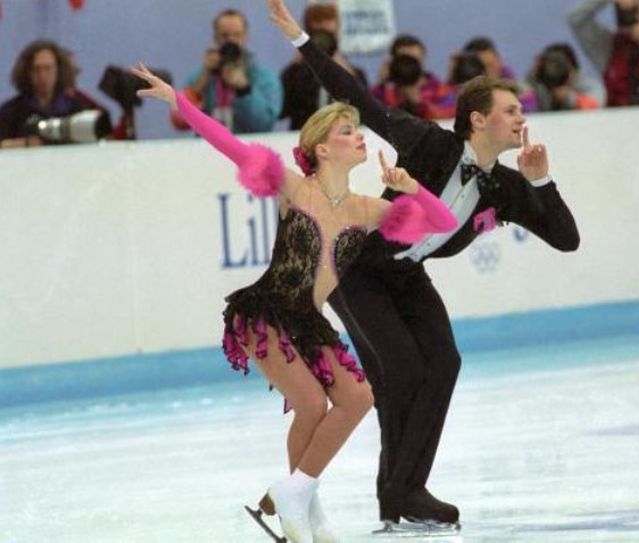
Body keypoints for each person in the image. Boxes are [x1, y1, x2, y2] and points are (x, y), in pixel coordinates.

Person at [267, 0, 580, 530]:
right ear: (478, 119)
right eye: (510, 111)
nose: (521, 118)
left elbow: (566, 239)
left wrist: (541, 181)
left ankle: (404, 492)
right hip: (359, 271)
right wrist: (301, 41)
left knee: (443, 363)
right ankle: (384, 492)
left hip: (407, 276)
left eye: (521, 111)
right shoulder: (428, 142)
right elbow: (357, 98)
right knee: (403, 370)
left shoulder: (502, 186)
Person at [131, 62, 456, 543]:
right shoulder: (293, 187)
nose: (360, 136)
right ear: (323, 148)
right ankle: (297, 499)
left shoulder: (368, 210)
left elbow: (444, 222)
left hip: (309, 320)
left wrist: (412, 189)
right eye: (349, 131)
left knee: (357, 396)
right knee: (309, 403)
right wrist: (179, 102)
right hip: (265, 313)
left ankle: (299, 497)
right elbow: (229, 144)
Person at [170, 8, 282, 134]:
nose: (231, 41)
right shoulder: (200, 75)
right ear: (215, 38)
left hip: (247, 148)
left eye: (237, 35)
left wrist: (244, 90)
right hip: (206, 149)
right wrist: (200, 84)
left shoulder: (264, 77)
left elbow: (265, 125)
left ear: (246, 37)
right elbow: (178, 122)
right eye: (224, 36)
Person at [280, 3, 368, 129]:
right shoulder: (295, 73)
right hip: (304, 135)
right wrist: (299, 60)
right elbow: (282, 111)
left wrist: (341, 65)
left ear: (337, 33)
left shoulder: (353, 73)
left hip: (343, 136)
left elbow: (365, 107)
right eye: (318, 34)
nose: (323, 41)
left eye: (328, 35)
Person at [0, 40, 92, 148]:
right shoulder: (11, 111)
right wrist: (26, 143)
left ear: (58, 71)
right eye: (36, 69)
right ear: (27, 72)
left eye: (48, 69)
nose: (43, 76)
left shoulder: (76, 110)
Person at [526, 42, 606, 111]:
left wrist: (568, 98)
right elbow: (520, 95)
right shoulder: (539, 84)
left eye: (559, 65)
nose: (553, 69)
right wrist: (534, 74)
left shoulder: (590, 86)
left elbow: (594, 106)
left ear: (572, 69)